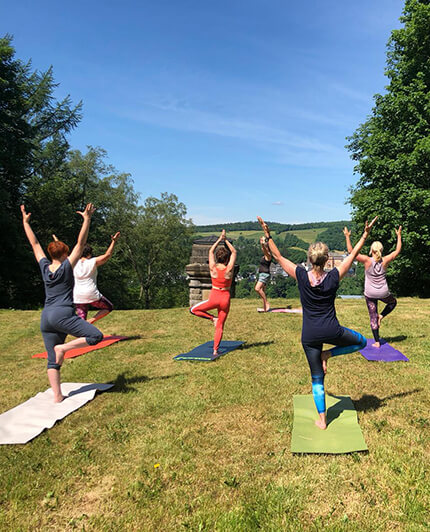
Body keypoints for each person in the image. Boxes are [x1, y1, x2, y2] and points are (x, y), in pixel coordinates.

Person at [258, 215, 377, 430]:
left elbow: (277, 256)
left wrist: (268, 235)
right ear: (326, 259)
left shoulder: (301, 275)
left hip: (310, 335)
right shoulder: (334, 276)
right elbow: (353, 254)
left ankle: (322, 420)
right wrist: (365, 234)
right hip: (332, 331)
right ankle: (328, 354)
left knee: (316, 378)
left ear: (310, 259)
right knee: (361, 342)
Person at [21, 203, 103, 403]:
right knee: (95, 336)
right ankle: (63, 349)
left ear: (51, 255)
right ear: (65, 253)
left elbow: (35, 245)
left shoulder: (44, 266)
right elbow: (81, 243)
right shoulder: (67, 267)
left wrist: (25, 222)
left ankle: (57, 396)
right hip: (63, 315)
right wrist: (87, 219)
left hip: (46, 317)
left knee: (52, 360)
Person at [343, 225, 402, 347]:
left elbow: (351, 252)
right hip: (383, 292)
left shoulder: (367, 260)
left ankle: (376, 342)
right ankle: (382, 315)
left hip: (370, 293)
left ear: (372, 250)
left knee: (372, 316)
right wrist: (399, 236)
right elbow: (397, 251)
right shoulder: (385, 260)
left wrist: (347, 237)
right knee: (393, 302)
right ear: (381, 250)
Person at [190, 230, 237, 357]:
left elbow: (210, 251)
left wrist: (218, 240)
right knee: (220, 326)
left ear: (217, 258)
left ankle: (212, 318)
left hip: (214, 297)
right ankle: (215, 350)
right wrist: (225, 239)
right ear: (226, 259)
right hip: (226, 298)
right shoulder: (229, 269)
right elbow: (234, 252)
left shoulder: (213, 268)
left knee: (193, 310)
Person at [73, 232, 121, 324]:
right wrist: (113, 241)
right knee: (108, 307)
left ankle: (83, 332)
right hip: (91, 293)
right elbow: (107, 255)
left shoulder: (73, 263)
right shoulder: (92, 261)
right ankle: (90, 321)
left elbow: (62, 255)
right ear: (89, 254)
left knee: (81, 318)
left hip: (78, 295)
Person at [255, 237, 272, 312]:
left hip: (264, 275)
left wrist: (262, 244)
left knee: (257, 288)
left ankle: (266, 303)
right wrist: (261, 242)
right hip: (262, 274)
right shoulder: (265, 256)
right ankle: (265, 307)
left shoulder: (268, 256)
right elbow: (263, 249)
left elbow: (264, 250)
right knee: (262, 291)